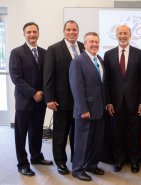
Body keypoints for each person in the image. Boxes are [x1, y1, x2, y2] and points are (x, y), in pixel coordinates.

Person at [9, 22, 53, 176]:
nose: (32, 35)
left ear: (38, 33)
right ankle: (22, 163)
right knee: (21, 134)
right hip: (24, 101)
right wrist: (33, 92)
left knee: (36, 131)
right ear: (24, 34)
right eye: (29, 32)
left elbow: (47, 76)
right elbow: (16, 78)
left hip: (40, 100)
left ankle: (36, 156)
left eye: (34, 32)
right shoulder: (16, 53)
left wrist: (42, 93)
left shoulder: (45, 53)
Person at [43, 20, 84, 175]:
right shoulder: (53, 49)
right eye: (68, 30)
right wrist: (49, 98)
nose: (71, 32)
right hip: (61, 100)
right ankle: (60, 162)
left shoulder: (82, 46)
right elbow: (48, 76)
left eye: (74, 30)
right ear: (63, 31)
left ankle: (76, 160)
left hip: (80, 101)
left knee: (77, 133)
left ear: (78, 31)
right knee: (61, 133)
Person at [104, 25, 141, 173]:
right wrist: (108, 101)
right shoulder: (108, 55)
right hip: (115, 103)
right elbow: (106, 81)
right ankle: (119, 160)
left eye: (125, 33)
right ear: (116, 35)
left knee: (134, 133)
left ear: (130, 35)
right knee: (118, 134)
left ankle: (134, 161)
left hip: (134, 102)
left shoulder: (139, 54)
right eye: (120, 33)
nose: (123, 36)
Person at [69, 32, 105, 181]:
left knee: (96, 141)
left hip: (99, 109)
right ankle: (77, 169)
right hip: (85, 110)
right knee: (82, 141)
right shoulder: (78, 61)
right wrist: (83, 109)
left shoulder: (100, 59)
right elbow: (77, 87)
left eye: (96, 42)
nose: (94, 44)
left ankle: (91, 165)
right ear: (85, 44)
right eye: (91, 42)